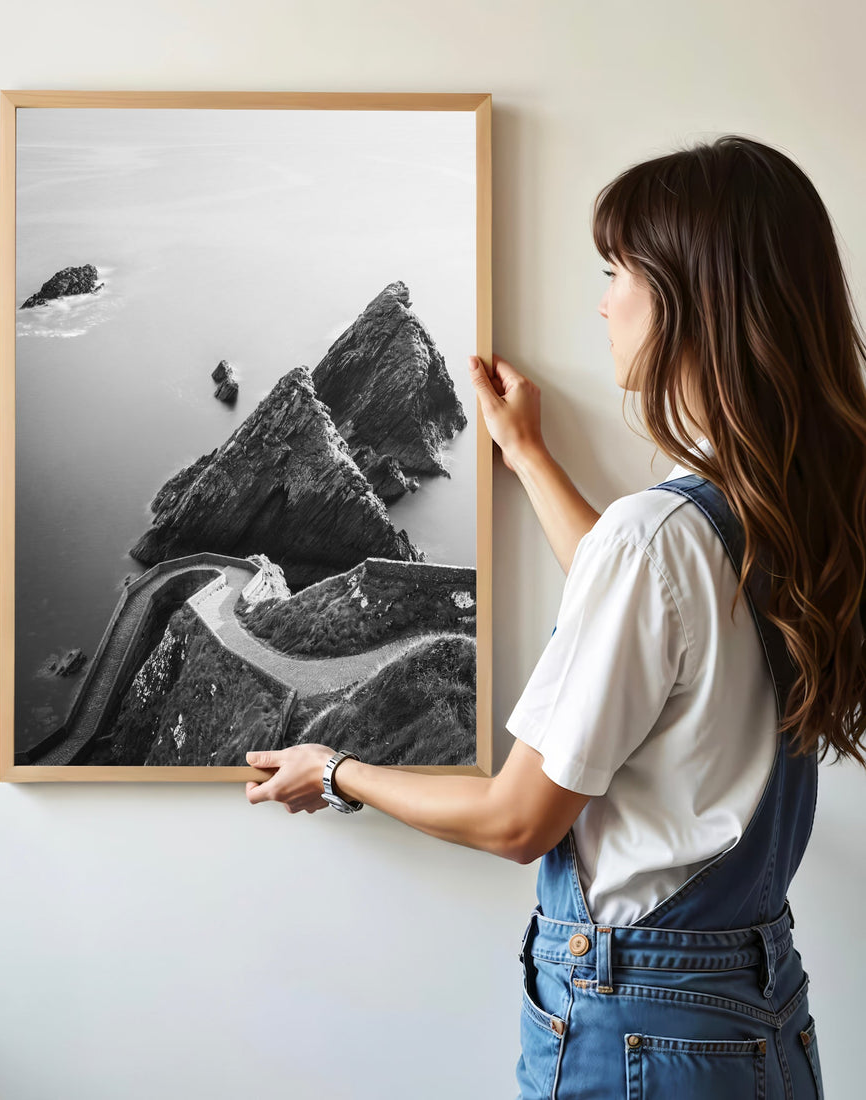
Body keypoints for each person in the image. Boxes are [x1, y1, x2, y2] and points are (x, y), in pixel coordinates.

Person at [243, 134, 866, 1098]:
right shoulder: (784, 508)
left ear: (691, 301)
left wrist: (335, 771)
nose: (604, 299)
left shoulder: (660, 536)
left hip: (639, 1028)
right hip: (754, 1013)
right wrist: (529, 456)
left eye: (618, 272)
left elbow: (516, 819)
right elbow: (656, 624)